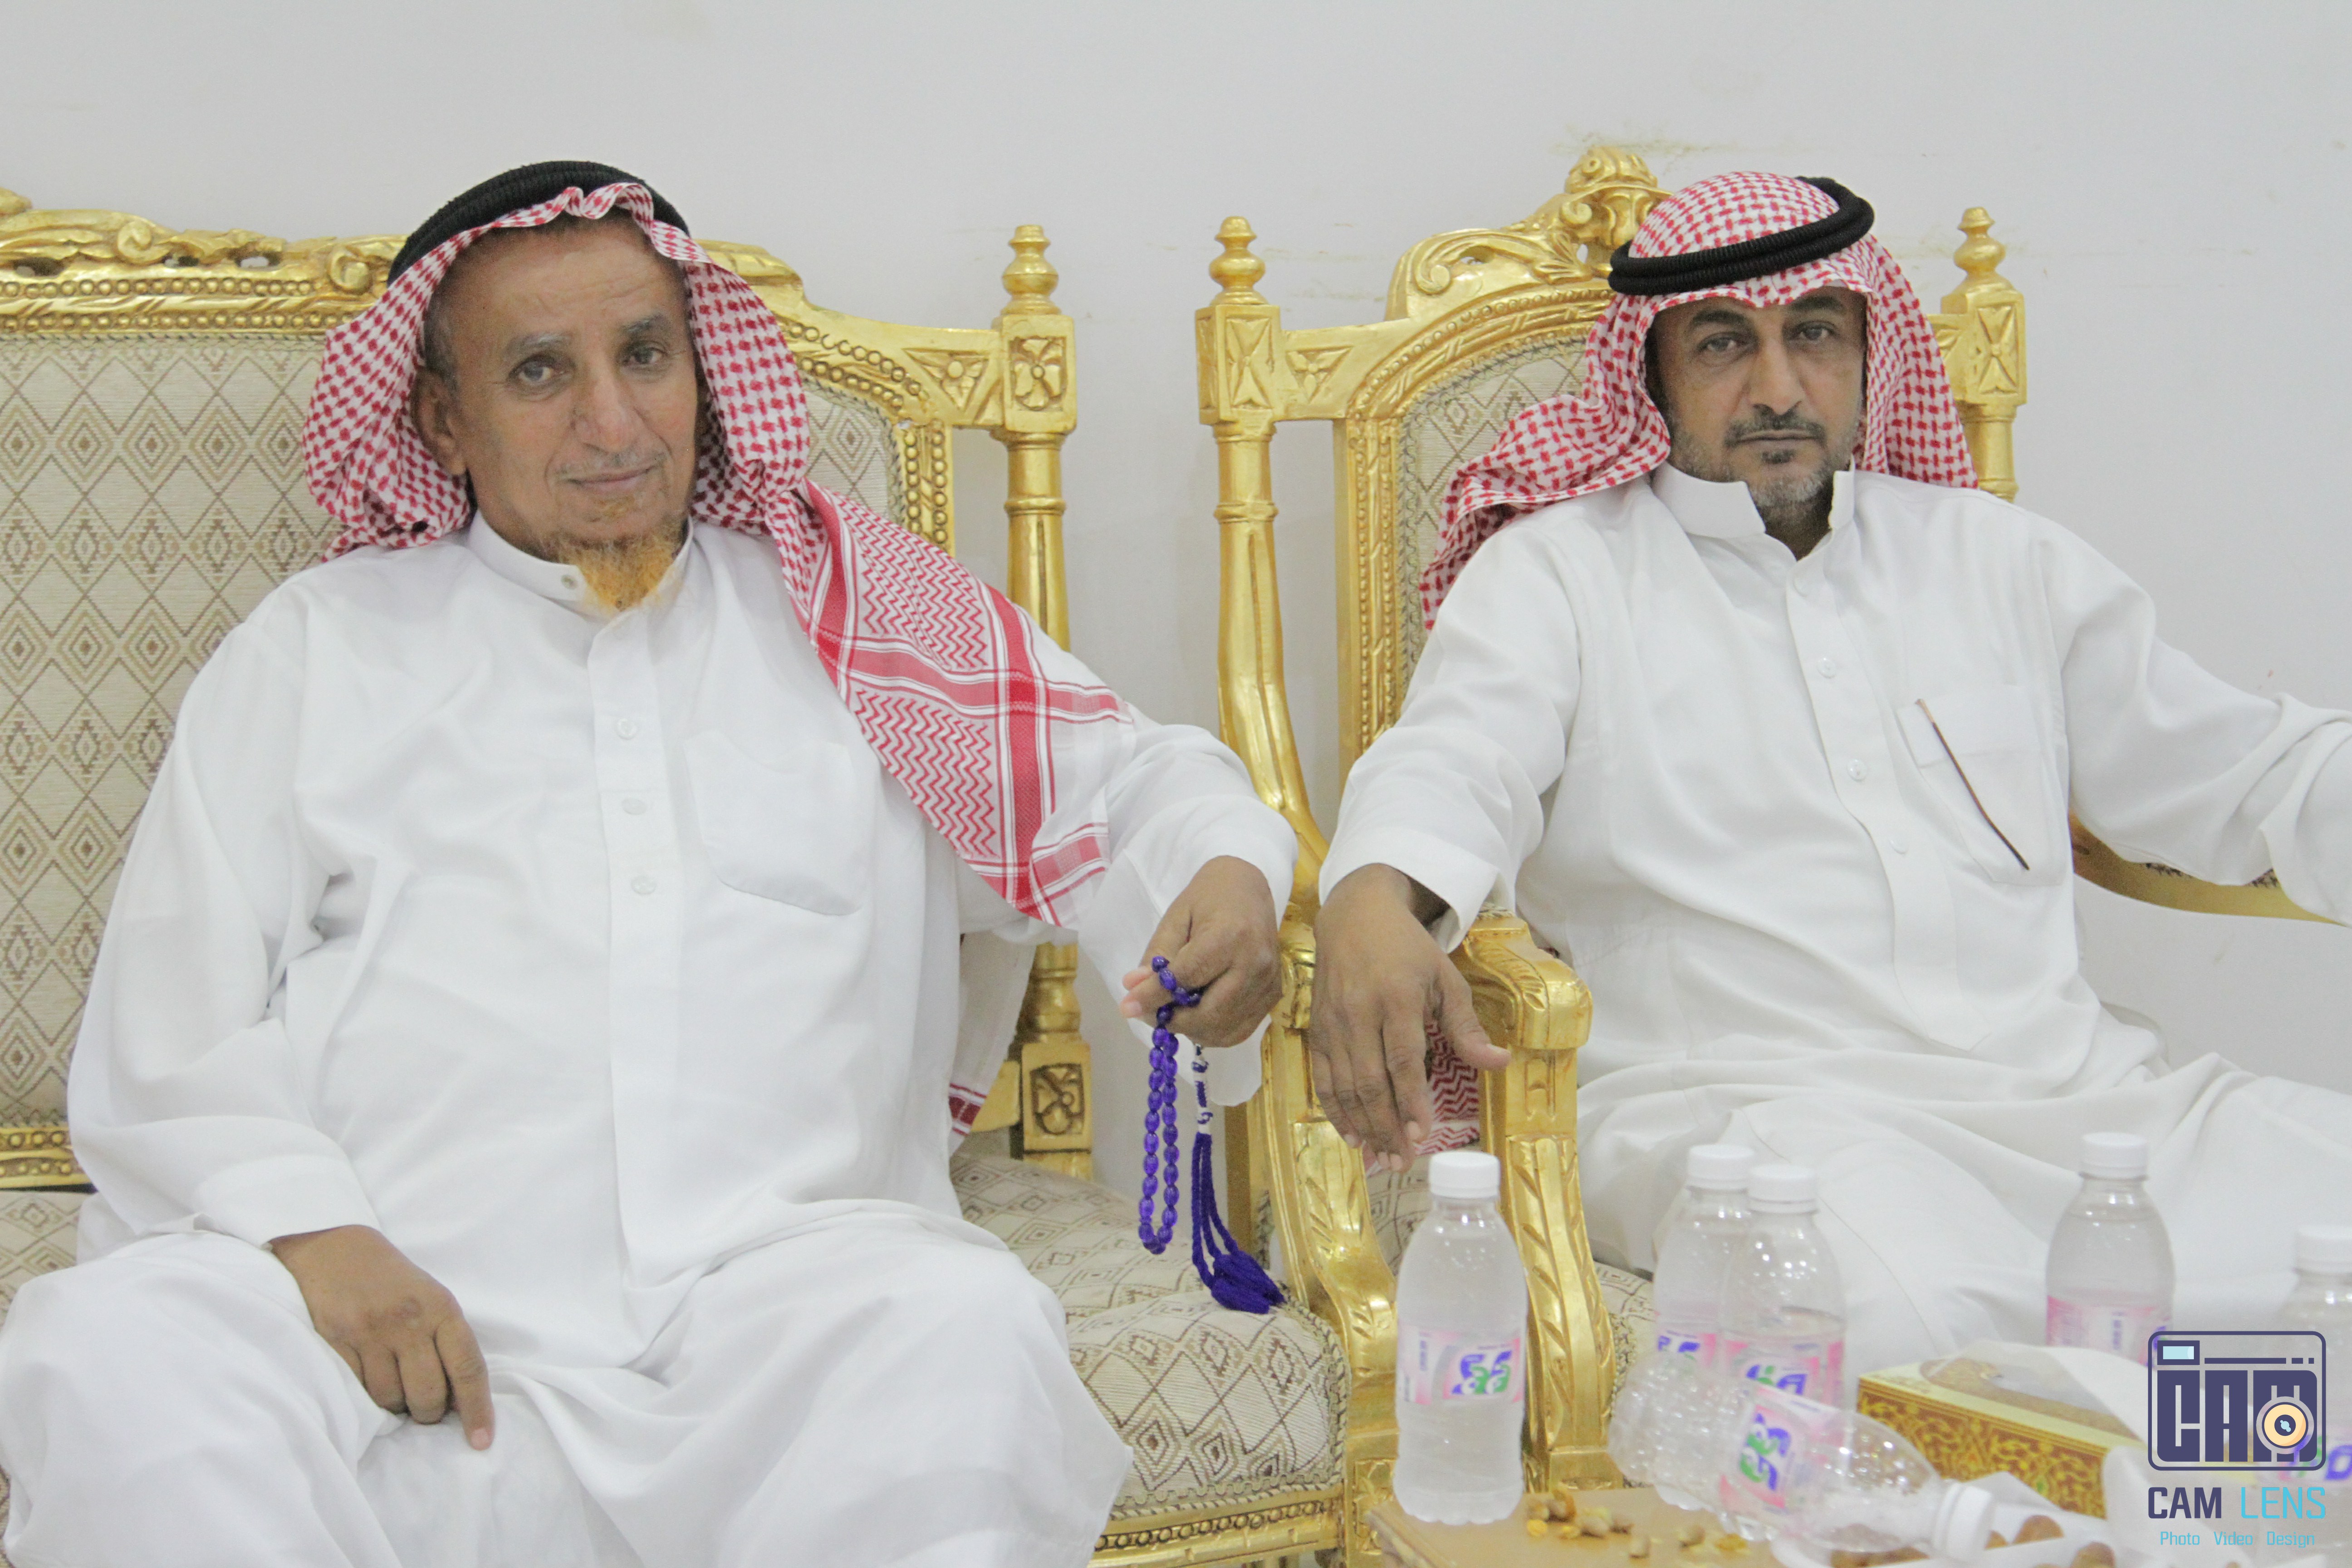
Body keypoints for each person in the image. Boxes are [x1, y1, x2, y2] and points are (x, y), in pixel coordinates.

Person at [0, 163, 1294, 1568]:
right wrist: (318, 1242)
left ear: (703, 372)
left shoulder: (858, 623)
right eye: (540, 372)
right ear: (441, 419)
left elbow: (1135, 784)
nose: (612, 424)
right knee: (113, 1355)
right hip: (389, 1324)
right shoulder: (320, 651)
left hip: (775, 1315)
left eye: (645, 356)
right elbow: (173, 1017)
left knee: (959, 1333)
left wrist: (1225, 878)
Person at [1308, 169, 2352, 1380]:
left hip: (2086, 1105)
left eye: (1813, 334)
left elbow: (2245, 768)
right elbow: (1453, 761)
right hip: (1755, 1120)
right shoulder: (1560, 576)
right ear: (1653, 374)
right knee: (1891, 1315)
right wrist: (1374, 897)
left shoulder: (1998, 560)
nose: (1777, 388)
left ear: (1867, 350)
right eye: (1723, 344)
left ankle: (2199, 1485)